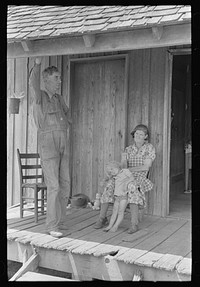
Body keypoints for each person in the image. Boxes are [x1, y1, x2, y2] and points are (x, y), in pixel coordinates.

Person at [29, 57, 72, 238]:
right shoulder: (40, 97)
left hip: (63, 141)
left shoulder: (59, 98)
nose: (59, 81)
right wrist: (37, 64)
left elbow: (68, 116)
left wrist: (66, 127)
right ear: (46, 80)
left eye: (60, 78)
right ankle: (51, 226)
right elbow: (32, 81)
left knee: (65, 183)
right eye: (56, 78)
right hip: (48, 143)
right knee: (53, 186)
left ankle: (61, 221)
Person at [94, 124, 156, 234]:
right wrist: (120, 172)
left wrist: (129, 171)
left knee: (131, 186)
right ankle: (102, 218)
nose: (138, 136)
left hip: (140, 176)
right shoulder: (128, 149)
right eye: (136, 133)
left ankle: (134, 224)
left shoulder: (149, 148)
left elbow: (146, 166)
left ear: (146, 136)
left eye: (141, 134)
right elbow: (123, 166)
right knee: (109, 185)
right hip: (125, 174)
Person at [102, 161, 138, 232]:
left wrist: (126, 183)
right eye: (110, 171)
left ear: (117, 167)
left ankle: (115, 226)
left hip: (124, 196)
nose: (112, 172)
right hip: (117, 197)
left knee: (121, 212)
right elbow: (107, 178)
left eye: (113, 169)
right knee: (114, 212)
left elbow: (132, 178)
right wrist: (104, 181)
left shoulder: (125, 171)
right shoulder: (115, 176)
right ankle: (110, 225)